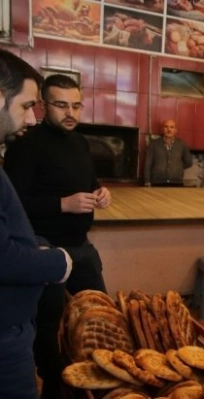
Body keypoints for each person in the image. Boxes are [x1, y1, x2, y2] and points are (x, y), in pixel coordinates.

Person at [3, 73, 111, 398]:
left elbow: (91, 181)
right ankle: (55, 384)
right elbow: (16, 205)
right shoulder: (24, 142)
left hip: (82, 247)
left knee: (101, 318)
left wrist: (100, 193)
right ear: (45, 105)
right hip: (44, 251)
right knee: (48, 328)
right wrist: (62, 204)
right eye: (61, 105)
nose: (70, 113)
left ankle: (102, 379)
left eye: (76, 105)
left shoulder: (81, 142)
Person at [0, 49, 72, 399]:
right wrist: (57, 261)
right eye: (28, 105)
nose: (31, 119)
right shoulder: (26, 148)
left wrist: (34, 242)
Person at [144, 119, 193, 187]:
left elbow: (189, 162)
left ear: (175, 130)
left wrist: (177, 168)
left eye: (172, 127)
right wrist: (147, 181)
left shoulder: (181, 144)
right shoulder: (153, 144)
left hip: (176, 183)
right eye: (166, 127)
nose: (169, 129)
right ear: (162, 129)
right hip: (157, 182)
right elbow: (148, 164)